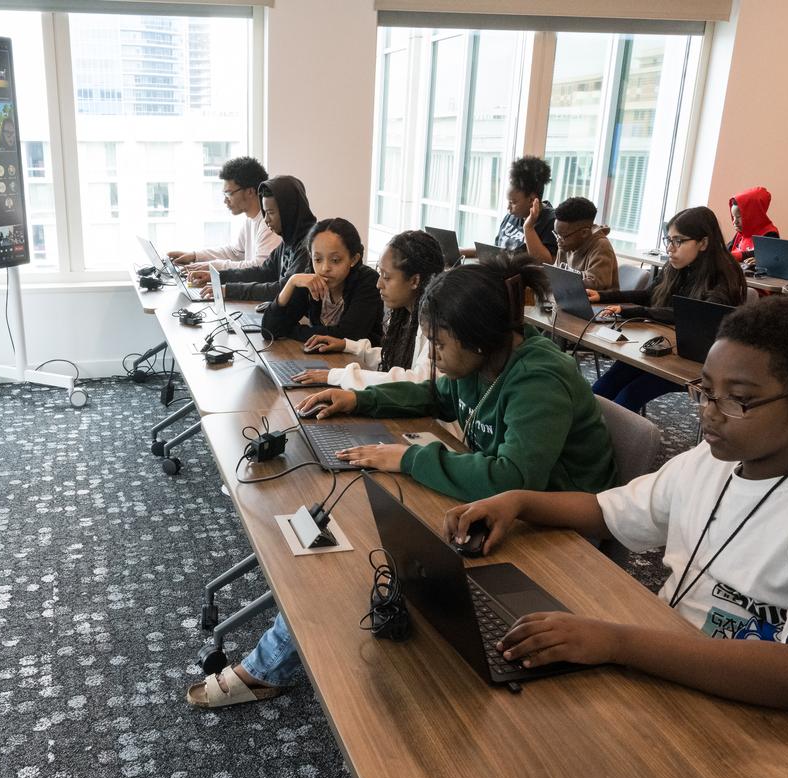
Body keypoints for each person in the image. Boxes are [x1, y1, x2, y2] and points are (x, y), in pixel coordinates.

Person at [448, 297, 788, 778]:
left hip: (782, 731)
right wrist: (519, 501)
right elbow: (609, 511)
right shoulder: (713, 458)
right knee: (517, 712)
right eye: (705, 390)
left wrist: (617, 642)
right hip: (681, 665)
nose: (709, 412)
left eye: (738, 401)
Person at [186, 254, 618, 710]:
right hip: (499, 507)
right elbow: (434, 396)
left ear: (477, 338)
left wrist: (410, 458)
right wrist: (358, 398)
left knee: (367, 554)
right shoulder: (482, 363)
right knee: (374, 537)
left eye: (439, 341)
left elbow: (513, 476)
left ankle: (267, 669)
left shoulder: (539, 377)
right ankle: (280, 664)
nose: (432, 352)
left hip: (559, 530)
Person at [589, 206, 746, 412]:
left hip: (700, 362)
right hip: (667, 348)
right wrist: (604, 296)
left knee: (630, 394)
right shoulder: (676, 266)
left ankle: (604, 441)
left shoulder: (724, 276)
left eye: (678, 241)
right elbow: (649, 295)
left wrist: (635, 311)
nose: (670, 248)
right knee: (605, 385)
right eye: (669, 240)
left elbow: (692, 315)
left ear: (703, 243)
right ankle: (583, 432)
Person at [292, 229, 445, 390]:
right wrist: (347, 345)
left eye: (386, 276)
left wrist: (337, 375)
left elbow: (419, 381)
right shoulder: (407, 314)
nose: (378, 284)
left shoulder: (436, 323)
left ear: (414, 281)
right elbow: (394, 359)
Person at [190, 175, 315, 302]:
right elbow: (263, 272)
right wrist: (217, 277)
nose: (266, 219)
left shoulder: (310, 245)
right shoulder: (289, 240)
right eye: (265, 213)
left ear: (289, 211)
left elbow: (282, 289)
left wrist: (227, 290)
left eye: (271, 213)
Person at [260, 218, 383, 345]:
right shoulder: (310, 279)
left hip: (359, 363)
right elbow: (269, 330)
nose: (325, 268)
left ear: (353, 259)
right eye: (318, 259)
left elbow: (348, 335)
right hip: (325, 360)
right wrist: (291, 282)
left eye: (335, 260)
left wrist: (289, 330)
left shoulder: (368, 281)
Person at [165, 156, 281, 271]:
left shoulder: (269, 224)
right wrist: (194, 256)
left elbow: (261, 266)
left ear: (250, 191)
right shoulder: (250, 220)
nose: (225, 201)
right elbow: (235, 253)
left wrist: (213, 267)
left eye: (229, 194)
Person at [491, 156, 557, 264]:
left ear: (531, 199)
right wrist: (462, 252)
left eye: (513, 202)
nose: (508, 208)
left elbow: (544, 264)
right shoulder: (513, 216)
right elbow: (496, 251)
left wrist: (528, 227)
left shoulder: (552, 222)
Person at [552, 196, 619, 291]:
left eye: (563, 236)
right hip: (570, 299)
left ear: (584, 233)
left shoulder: (601, 246)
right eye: (556, 234)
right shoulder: (565, 243)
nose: (558, 240)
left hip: (598, 304)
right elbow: (556, 273)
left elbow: (595, 283)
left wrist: (559, 278)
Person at [726, 186, 779, 261]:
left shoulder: (770, 234)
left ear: (752, 214)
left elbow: (765, 255)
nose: (735, 221)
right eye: (733, 217)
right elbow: (726, 251)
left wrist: (739, 256)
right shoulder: (741, 233)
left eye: (738, 217)